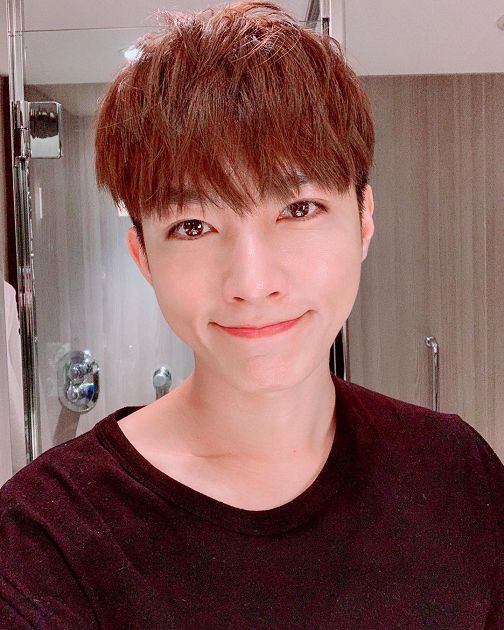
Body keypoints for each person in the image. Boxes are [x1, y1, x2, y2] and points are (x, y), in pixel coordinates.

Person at [1, 2, 502, 628]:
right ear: (143, 255)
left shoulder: (456, 472)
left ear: (364, 218)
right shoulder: (46, 538)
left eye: (298, 209)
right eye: (193, 225)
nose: (253, 283)